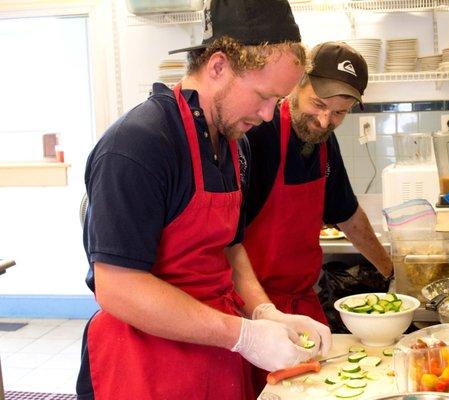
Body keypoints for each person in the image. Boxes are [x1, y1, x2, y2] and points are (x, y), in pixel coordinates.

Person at [76, 1, 331, 399]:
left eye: (277, 102)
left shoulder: (234, 144)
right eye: (263, 97)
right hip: (143, 369)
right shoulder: (138, 145)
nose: (268, 115)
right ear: (217, 67)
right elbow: (117, 287)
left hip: (212, 359)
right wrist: (243, 335)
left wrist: (265, 312)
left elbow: (231, 248)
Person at [238, 41, 394, 393]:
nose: (326, 120)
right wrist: (261, 314)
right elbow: (226, 242)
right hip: (255, 311)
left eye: (339, 113)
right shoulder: (259, 135)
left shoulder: (324, 140)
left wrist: (390, 269)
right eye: (319, 105)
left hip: (303, 305)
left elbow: (347, 214)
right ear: (298, 83)